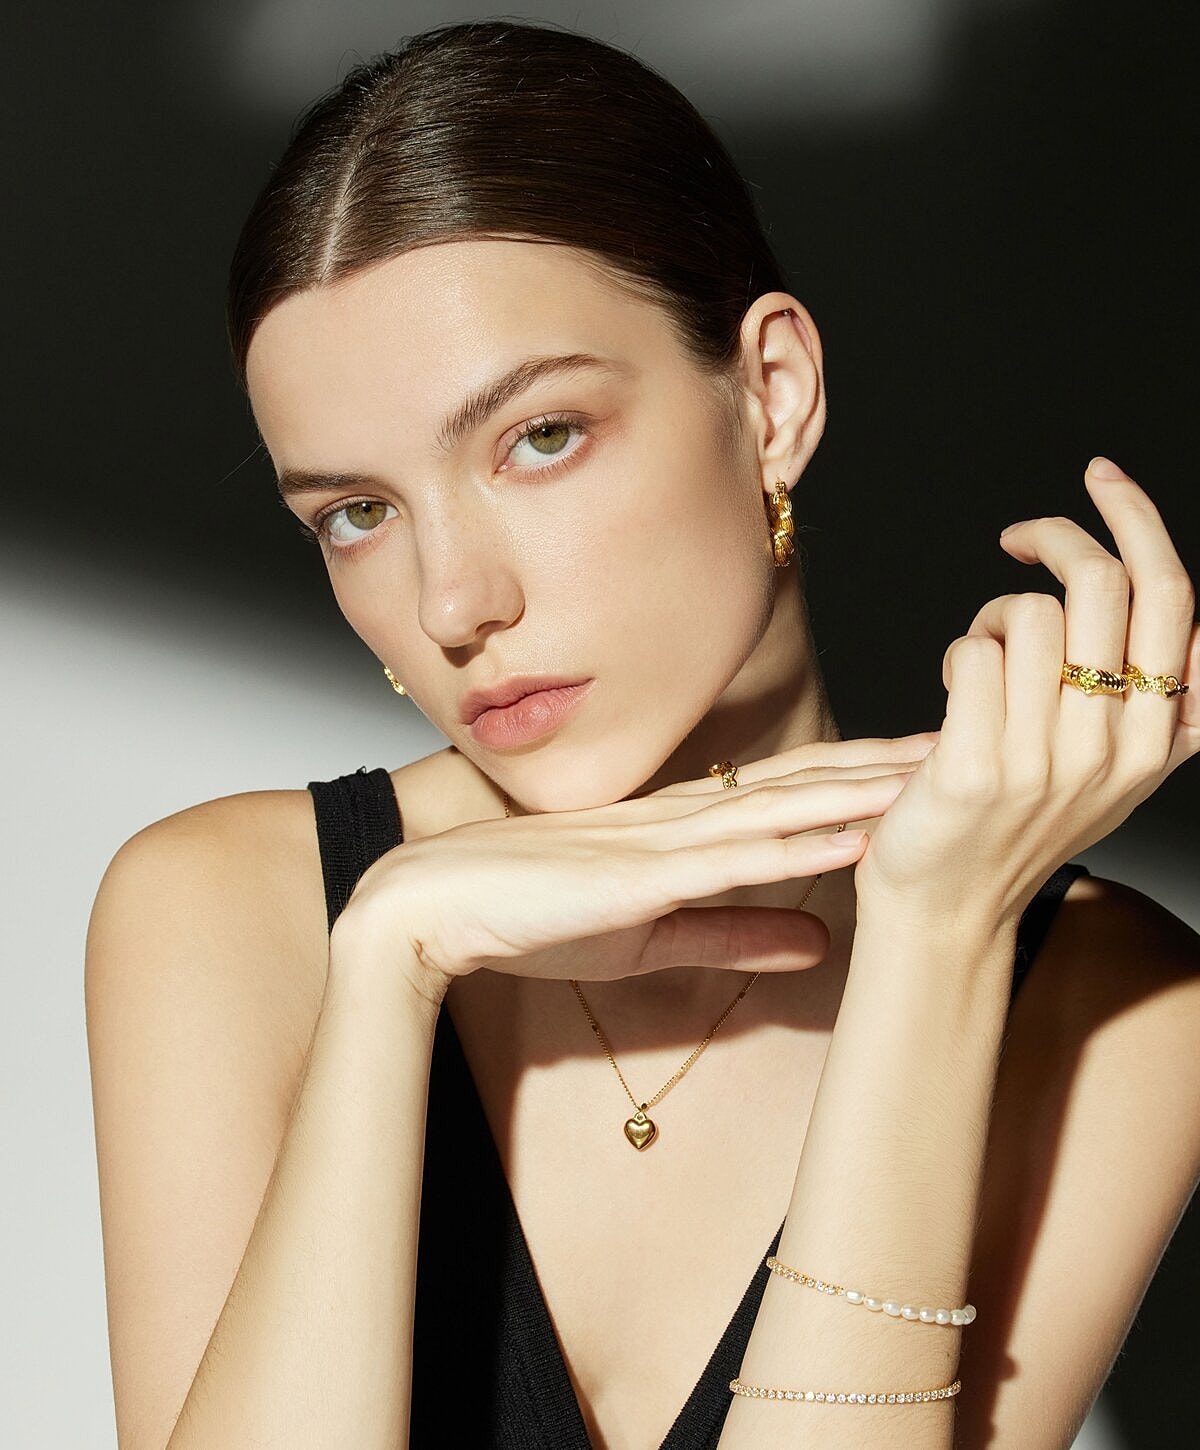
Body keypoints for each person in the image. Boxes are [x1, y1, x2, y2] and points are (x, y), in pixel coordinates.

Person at [85, 18, 1200, 1450]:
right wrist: (387, 964)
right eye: (357, 514)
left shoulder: (1118, 1006)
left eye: (539, 437)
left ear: (772, 396)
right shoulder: (225, 912)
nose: (452, 601)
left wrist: (937, 934)